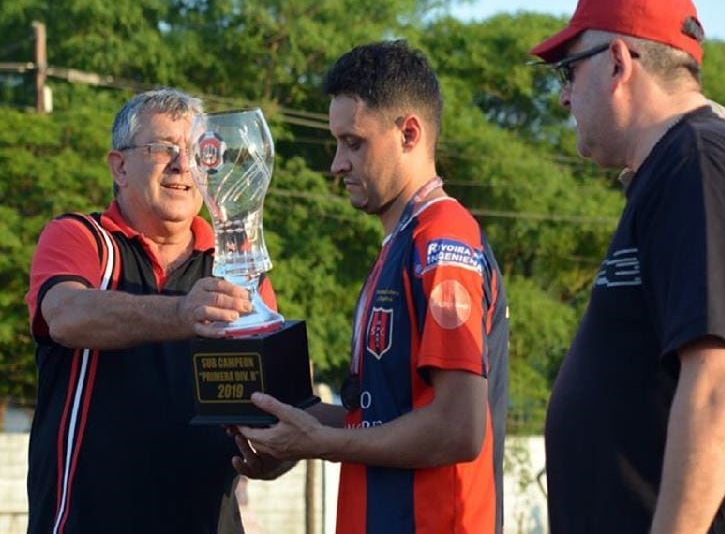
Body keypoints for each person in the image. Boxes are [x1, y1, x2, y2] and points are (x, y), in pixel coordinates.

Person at [233, 40, 509, 533]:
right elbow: (380, 421)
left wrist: (322, 443)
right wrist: (294, 428)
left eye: (353, 143)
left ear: (409, 133)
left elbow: (458, 429)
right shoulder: (399, 245)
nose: (338, 163)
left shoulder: (442, 239)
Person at [529, 0, 725, 532]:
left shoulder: (699, 160)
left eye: (568, 70)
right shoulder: (671, 171)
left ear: (619, 61)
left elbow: (721, 381)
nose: (563, 94)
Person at [25, 88, 277, 534]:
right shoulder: (83, 238)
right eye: (163, 149)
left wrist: (276, 452)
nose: (183, 165)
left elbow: (266, 411)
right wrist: (183, 314)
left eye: (198, 151)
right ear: (119, 166)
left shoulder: (237, 267)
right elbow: (66, 315)